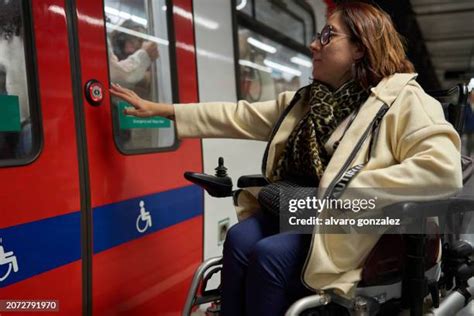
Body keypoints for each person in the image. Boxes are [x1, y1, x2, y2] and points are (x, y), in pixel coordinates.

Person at [110, 3, 462, 315]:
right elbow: (237, 115)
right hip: (306, 209)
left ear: (359, 47)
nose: (314, 44)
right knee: (238, 239)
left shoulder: (405, 100)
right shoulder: (308, 102)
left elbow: (442, 170)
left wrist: (348, 189)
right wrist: (162, 109)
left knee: (269, 256)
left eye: (327, 36)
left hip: (359, 221)